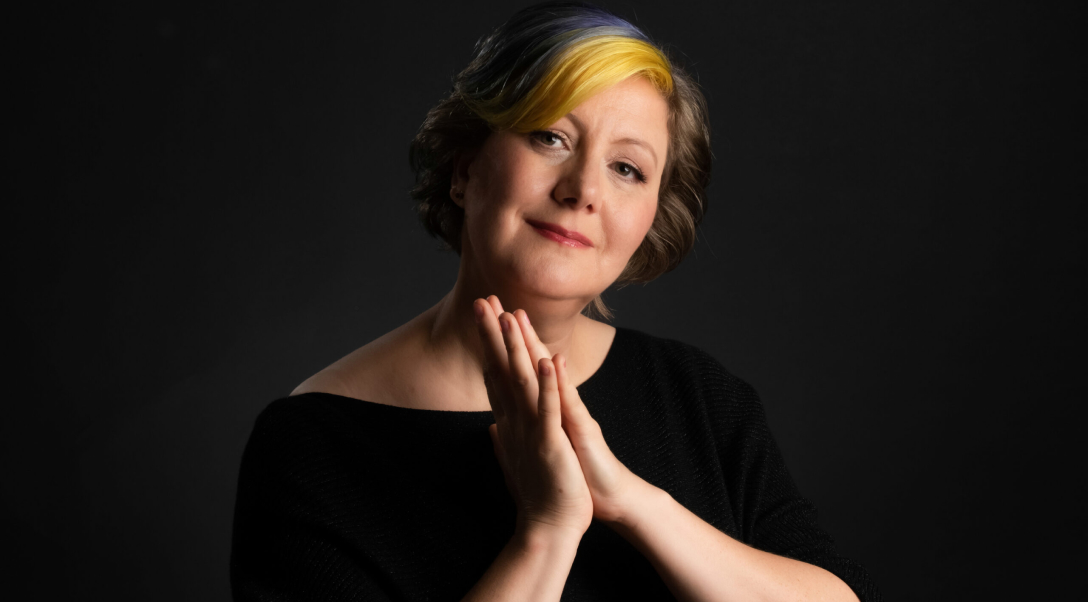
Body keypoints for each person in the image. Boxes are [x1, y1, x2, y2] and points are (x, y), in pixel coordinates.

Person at [229, 2, 882, 601]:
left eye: (626, 169)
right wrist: (548, 529)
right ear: (465, 170)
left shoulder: (701, 399)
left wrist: (630, 500)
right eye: (550, 137)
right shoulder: (311, 445)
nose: (583, 190)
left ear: (651, 218)